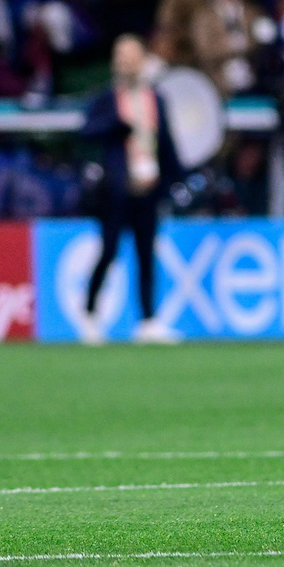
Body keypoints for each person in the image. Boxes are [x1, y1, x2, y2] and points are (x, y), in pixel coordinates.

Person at [77, 34, 184, 342]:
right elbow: (86, 131)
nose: (125, 63)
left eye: (131, 57)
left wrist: (174, 180)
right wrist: (116, 125)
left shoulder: (156, 99)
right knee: (109, 251)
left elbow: (166, 143)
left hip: (148, 188)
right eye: (120, 57)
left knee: (146, 255)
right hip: (116, 189)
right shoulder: (106, 99)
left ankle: (148, 320)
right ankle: (89, 313)